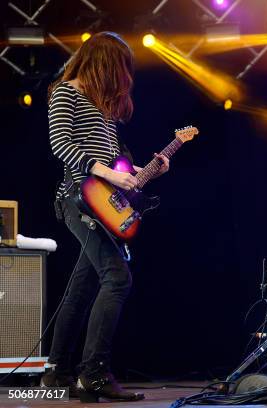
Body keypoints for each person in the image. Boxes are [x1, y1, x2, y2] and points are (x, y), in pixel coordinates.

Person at [42, 32, 169, 402]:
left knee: (81, 288)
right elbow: (60, 145)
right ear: (103, 63)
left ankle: (56, 372)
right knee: (117, 277)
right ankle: (92, 374)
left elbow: (115, 166)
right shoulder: (66, 92)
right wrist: (110, 174)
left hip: (103, 206)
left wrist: (146, 171)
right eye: (120, 69)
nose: (123, 79)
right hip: (76, 200)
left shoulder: (104, 109)